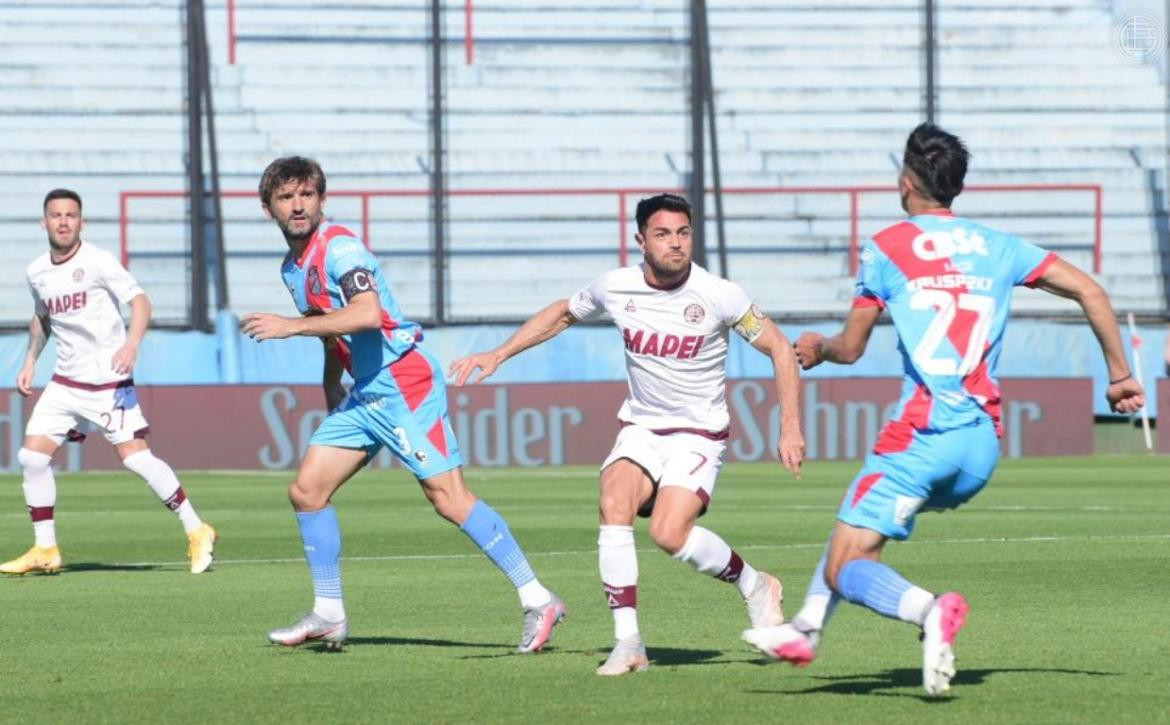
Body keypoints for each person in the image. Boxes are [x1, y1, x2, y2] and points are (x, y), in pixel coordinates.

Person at [742, 123, 1146, 696]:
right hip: (980, 444)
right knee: (855, 519)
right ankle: (806, 628)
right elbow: (1093, 292)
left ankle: (929, 610)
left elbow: (851, 348)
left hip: (924, 430)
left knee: (846, 565)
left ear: (907, 181)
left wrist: (818, 350)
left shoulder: (886, 247)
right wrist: (1121, 376)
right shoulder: (1001, 246)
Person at [450, 193, 806, 676]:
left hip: (698, 434)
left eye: (683, 233)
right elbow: (562, 314)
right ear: (640, 240)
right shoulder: (615, 287)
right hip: (641, 426)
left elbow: (781, 349)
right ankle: (629, 643)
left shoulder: (720, 295)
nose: (676, 244)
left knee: (667, 532)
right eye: (663, 234)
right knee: (613, 500)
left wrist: (790, 428)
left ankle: (755, 584)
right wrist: (499, 353)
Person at [245, 156, 564, 652]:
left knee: (448, 499)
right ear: (269, 209)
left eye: (306, 194)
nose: (298, 205)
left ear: (321, 200)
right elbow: (332, 329)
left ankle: (538, 598)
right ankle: (328, 613)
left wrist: (290, 326)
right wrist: (333, 383)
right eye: (286, 198)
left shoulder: (341, 248)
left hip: (403, 382)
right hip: (365, 391)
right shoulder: (293, 267)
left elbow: (367, 314)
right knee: (307, 491)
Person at [2, 189, 217, 576]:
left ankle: (197, 528)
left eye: (71, 215)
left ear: (81, 222)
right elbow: (43, 317)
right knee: (32, 457)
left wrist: (132, 344)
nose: (64, 221)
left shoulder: (98, 261)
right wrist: (30, 361)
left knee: (136, 458)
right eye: (56, 215)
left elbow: (141, 302)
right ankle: (45, 548)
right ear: (44, 222)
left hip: (106, 383)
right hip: (65, 382)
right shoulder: (37, 271)